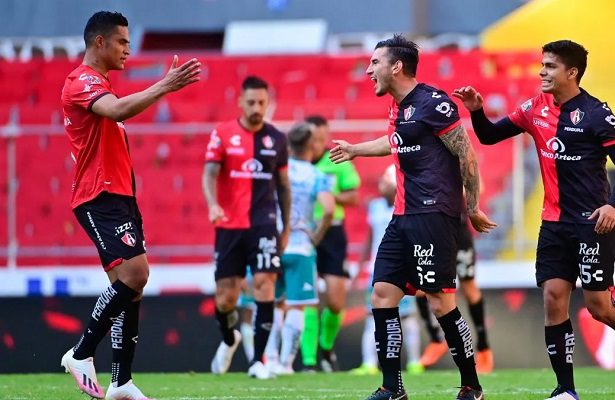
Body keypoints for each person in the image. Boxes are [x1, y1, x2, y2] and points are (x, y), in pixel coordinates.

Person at [329, 34, 496, 400]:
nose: (369, 70)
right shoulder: (397, 106)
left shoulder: (434, 104)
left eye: (375, 63)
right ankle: (393, 387)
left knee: (440, 302)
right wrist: (356, 149)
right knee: (383, 294)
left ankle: (472, 385)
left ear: (396, 66)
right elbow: (393, 142)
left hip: (434, 215)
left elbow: (466, 154)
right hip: (402, 215)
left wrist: (471, 206)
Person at [453, 39, 615, 400]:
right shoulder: (534, 108)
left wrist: (612, 206)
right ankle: (565, 390)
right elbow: (491, 136)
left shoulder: (596, 115)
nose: (542, 71)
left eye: (551, 66)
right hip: (554, 225)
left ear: (571, 73)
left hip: (593, 225)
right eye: (542, 64)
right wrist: (477, 111)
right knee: (554, 298)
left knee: (599, 308)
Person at [60, 11, 200, 400]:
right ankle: (81, 352)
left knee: (130, 290)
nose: (128, 49)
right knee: (135, 276)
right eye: (122, 41)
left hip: (118, 196)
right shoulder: (81, 82)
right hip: (98, 196)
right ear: (99, 42)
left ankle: (121, 382)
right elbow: (118, 111)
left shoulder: (100, 84)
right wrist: (165, 85)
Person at [203, 75, 291, 379]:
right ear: (240, 102)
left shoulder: (277, 139)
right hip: (229, 225)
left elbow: (284, 186)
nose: (257, 108)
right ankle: (230, 340)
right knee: (225, 299)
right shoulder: (223, 134)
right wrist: (213, 204)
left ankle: (257, 362)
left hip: (263, 224)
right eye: (251, 102)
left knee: (265, 284)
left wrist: (287, 226)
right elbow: (209, 174)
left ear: (268, 103)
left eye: (262, 103)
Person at [269, 123, 335, 375]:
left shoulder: (277, 170)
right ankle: (287, 363)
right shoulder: (317, 175)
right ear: (311, 145)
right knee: (296, 306)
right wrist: (315, 238)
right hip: (300, 247)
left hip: (274, 244)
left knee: (272, 303)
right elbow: (328, 210)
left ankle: (271, 360)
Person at [300, 114, 361, 372]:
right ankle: (309, 361)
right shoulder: (294, 164)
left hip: (333, 233)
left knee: (336, 302)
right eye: (315, 138)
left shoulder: (336, 160)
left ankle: (326, 347)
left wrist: (326, 195)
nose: (319, 143)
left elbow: (354, 197)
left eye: (323, 138)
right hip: (303, 233)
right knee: (307, 299)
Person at [351, 165, 423, 376]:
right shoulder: (374, 206)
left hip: (402, 268)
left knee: (408, 319)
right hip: (377, 269)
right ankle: (369, 363)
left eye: (387, 183)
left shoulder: (407, 207)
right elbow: (369, 239)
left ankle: (414, 362)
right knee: (372, 317)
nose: (382, 187)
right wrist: (360, 268)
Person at [417, 210, 494, 374]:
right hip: (431, 234)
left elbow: (477, 188)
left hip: (458, 234)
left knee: (469, 289)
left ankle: (483, 347)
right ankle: (436, 341)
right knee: (421, 287)